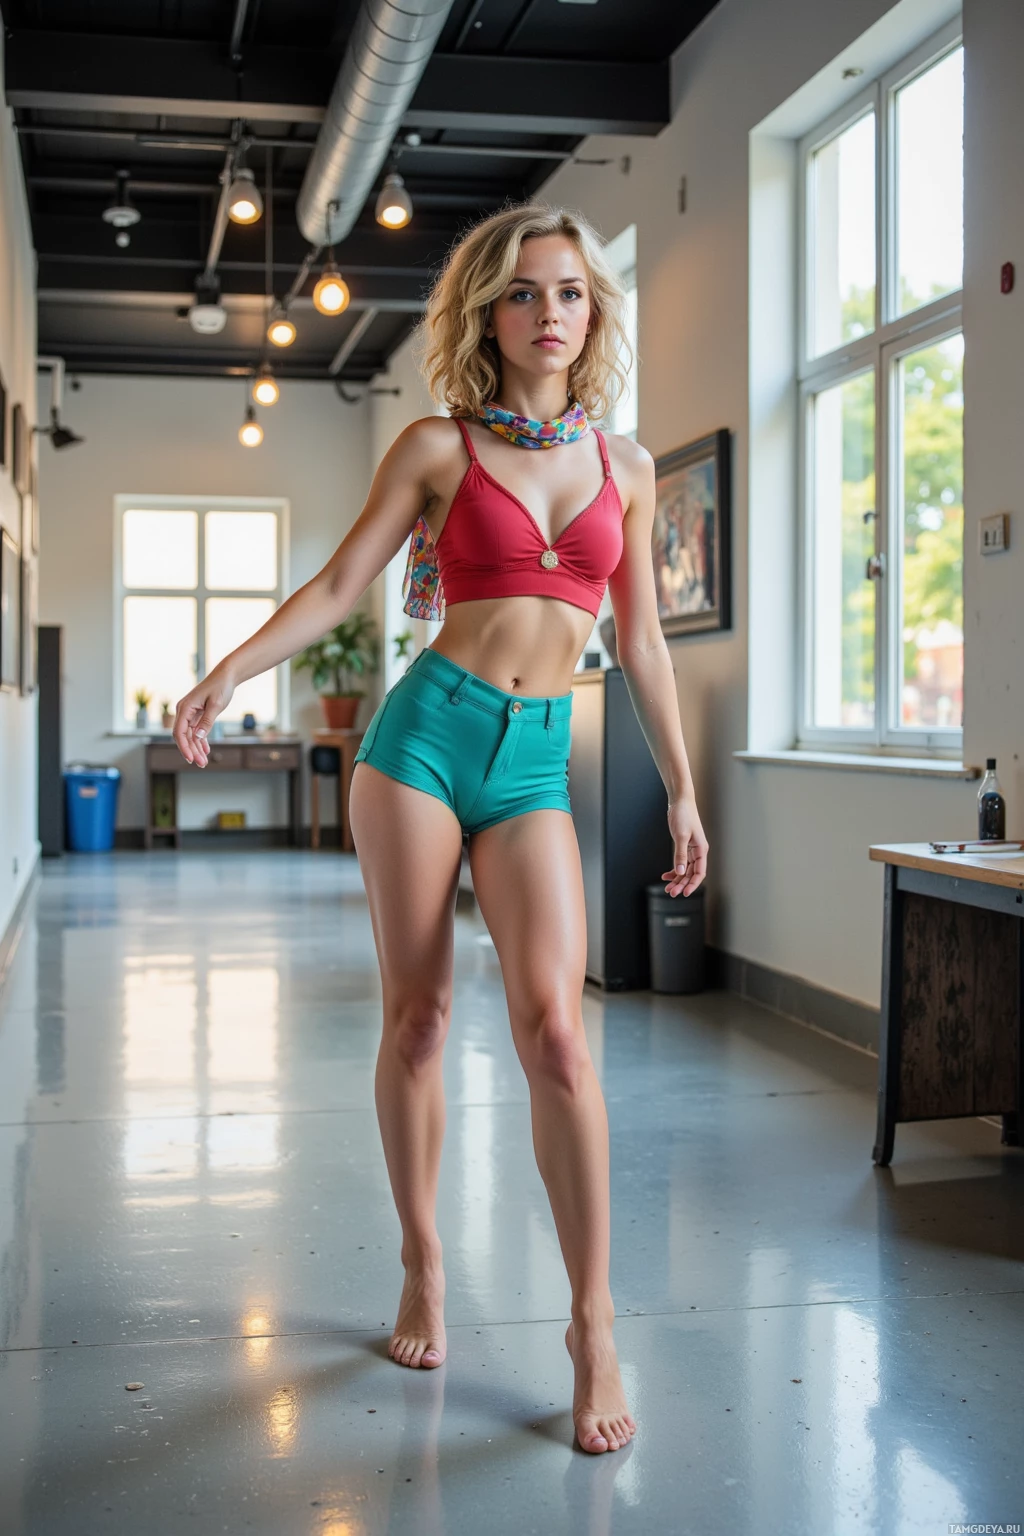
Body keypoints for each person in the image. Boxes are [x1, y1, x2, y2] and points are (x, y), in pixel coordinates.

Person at [172, 203, 709, 1456]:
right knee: (418, 1016)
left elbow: (640, 646)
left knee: (558, 1038)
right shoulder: (436, 444)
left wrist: (681, 788)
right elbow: (342, 586)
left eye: (570, 292)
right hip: (420, 743)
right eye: (524, 295)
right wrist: (230, 672)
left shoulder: (624, 468)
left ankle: (590, 1325)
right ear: (490, 315)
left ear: (592, 311)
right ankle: (423, 1262)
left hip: (529, 763)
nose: (550, 314)